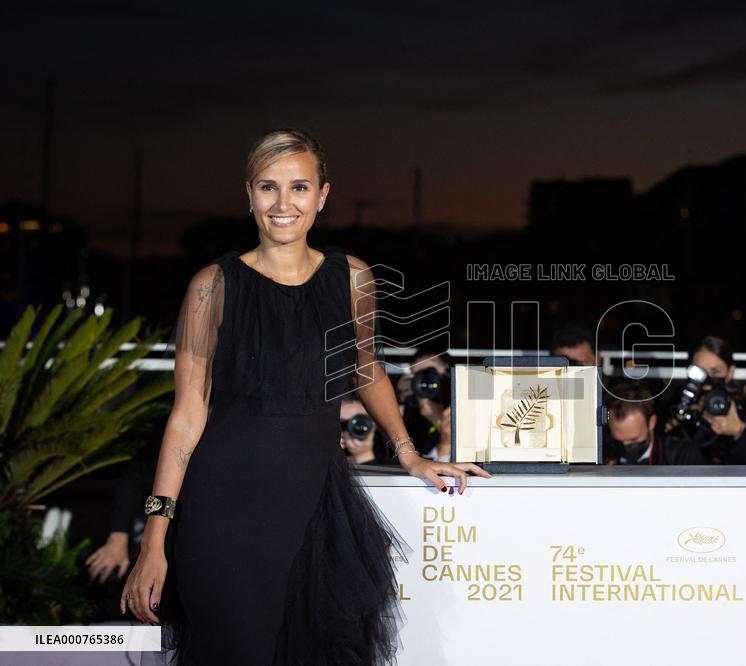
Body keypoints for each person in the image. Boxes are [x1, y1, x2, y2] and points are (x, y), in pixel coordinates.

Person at [121, 128, 491, 665]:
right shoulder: (212, 286)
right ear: (249, 195)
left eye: (298, 187)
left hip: (313, 510)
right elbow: (185, 417)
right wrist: (155, 540)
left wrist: (408, 452)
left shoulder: (352, 278)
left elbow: (368, 371)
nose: (282, 203)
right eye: (268, 187)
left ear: (321, 196)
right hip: (221, 515)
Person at [665, 336, 746, 465]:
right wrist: (678, 421)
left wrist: (739, 430)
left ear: (730, 372)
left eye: (716, 371)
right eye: (699, 372)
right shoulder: (677, 402)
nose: (707, 381)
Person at [606, 381, 704, 465]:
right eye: (618, 440)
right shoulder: (602, 453)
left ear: (651, 422)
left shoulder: (682, 456)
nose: (625, 446)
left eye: (634, 439)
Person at [340, 397, 388, 465]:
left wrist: (363, 455)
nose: (349, 429)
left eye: (359, 423)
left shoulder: (388, 450)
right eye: (342, 425)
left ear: (373, 427)